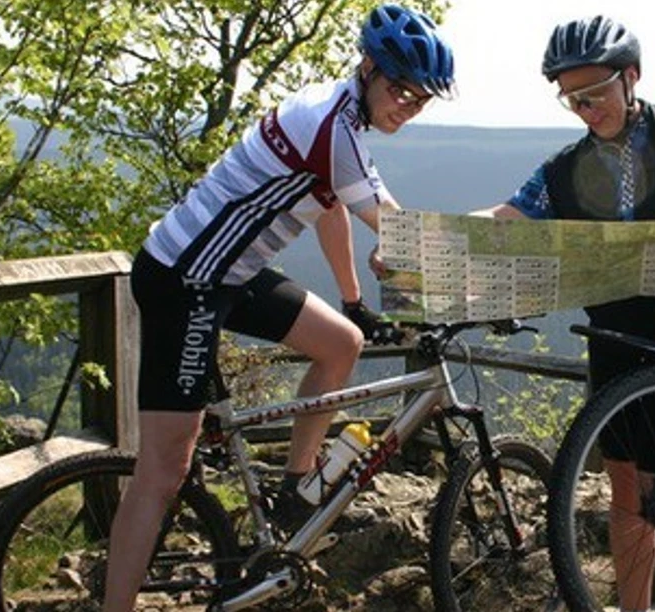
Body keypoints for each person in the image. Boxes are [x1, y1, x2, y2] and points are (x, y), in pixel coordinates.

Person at [100, 5, 454, 610]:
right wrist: (464, 271)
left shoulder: (341, 110)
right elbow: (396, 227)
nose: (407, 105)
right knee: (163, 472)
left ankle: (296, 489)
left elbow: (334, 205)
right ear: (367, 66)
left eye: (421, 99)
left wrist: (351, 298)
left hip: (227, 274)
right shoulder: (332, 127)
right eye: (400, 88)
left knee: (341, 343)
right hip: (186, 279)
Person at [473, 15, 655, 612]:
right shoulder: (563, 168)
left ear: (631, 77)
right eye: (572, 99)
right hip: (614, 335)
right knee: (625, 492)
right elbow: (509, 217)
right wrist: (420, 242)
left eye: (596, 93)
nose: (586, 109)